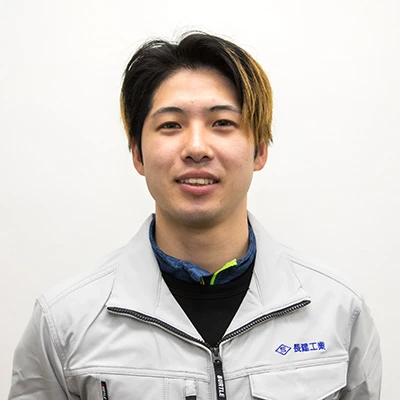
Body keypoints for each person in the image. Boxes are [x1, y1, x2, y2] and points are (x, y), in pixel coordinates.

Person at [8, 32, 381, 400]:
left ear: (260, 150)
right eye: (171, 125)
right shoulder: (64, 322)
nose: (197, 148)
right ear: (137, 153)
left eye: (223, 123)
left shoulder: (337, 310)